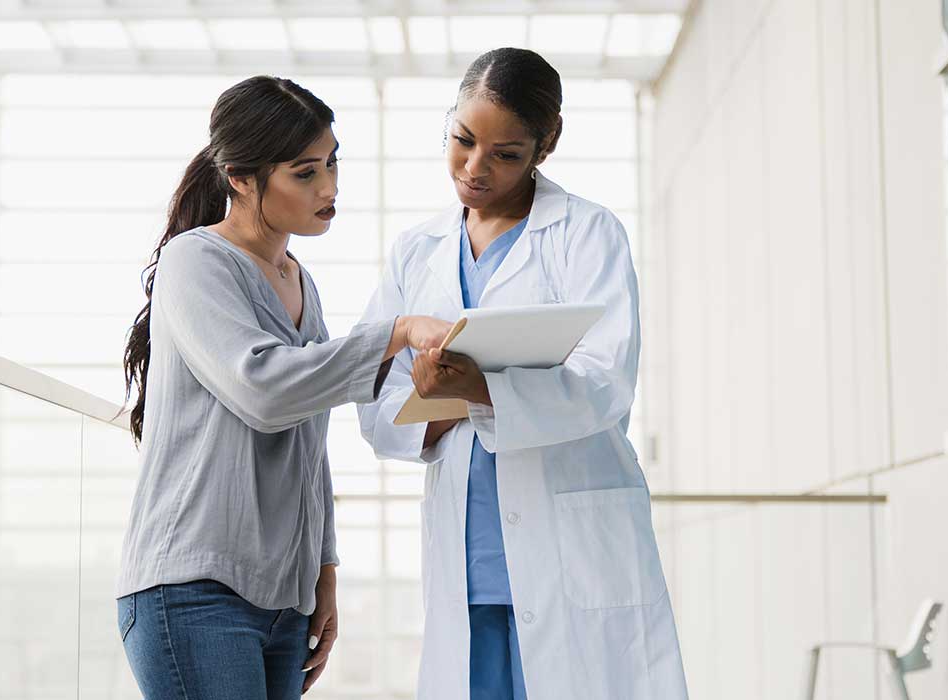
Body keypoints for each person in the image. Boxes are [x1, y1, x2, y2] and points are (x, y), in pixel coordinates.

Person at [355, 49, 690, 699]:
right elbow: (375, 399)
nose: (475, 169)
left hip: (573, 547)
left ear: (547, 144)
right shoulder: (416, 251)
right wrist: (442, 396)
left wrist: (475, 388)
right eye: (462, 140)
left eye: (505, 154)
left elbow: (604, 380)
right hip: (469, 557)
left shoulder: (587, 233)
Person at [114, 76, 452, 700]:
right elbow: (264, 391)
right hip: (193, 590)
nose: (328, 188)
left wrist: (322, 576)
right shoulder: (197, 261)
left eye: (331, 164)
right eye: (304, 173)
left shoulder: (300, 282)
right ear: (242, 178)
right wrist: (396, 333)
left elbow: (306, 443)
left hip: (284, 602)